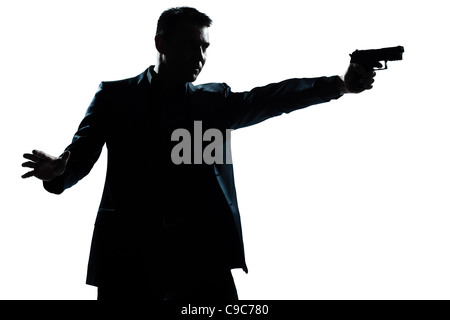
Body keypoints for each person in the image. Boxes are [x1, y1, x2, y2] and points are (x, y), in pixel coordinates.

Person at [21, 7, 377, 300]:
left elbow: (272, 99)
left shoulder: (213, 100)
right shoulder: (116, 96)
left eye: (204, 48)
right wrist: (58, 173)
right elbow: (79, 156)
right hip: (129, 258)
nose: (200, 57)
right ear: (160, 42)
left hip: (201, 258)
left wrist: (339, 85)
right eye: (189, 46)